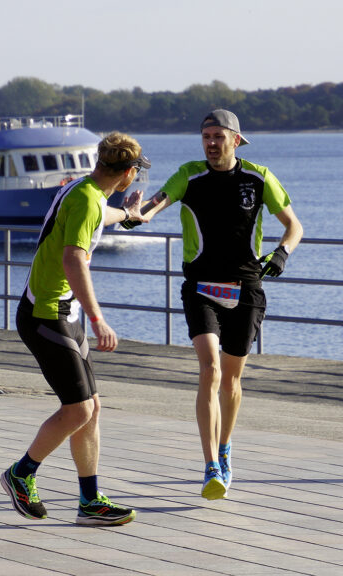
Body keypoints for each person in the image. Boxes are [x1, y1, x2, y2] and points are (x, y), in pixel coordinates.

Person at [129, 109, 304, 500]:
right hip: (201, 286)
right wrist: (135, 215)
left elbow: (294, 225)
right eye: (205, 136)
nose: (210, 143)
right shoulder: (189, 175)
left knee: (232, 379)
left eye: (218, 137)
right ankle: (210, 465)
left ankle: (225, 447)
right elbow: (157, 204)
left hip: (246, 287)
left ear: (236, 140)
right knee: (208, 369)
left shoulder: (258, 177)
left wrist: (282, 253)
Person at [0, 131, 150, 526]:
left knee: (91, 408)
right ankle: (21, 473)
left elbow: (104, 211)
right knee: (79, 408)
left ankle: (89, 502)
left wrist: (130, 214)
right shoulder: (86, 201)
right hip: (45, 315)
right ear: (130, 173)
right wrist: (99, 319)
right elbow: (73, 261)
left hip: (63, 314)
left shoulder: (84, 190)